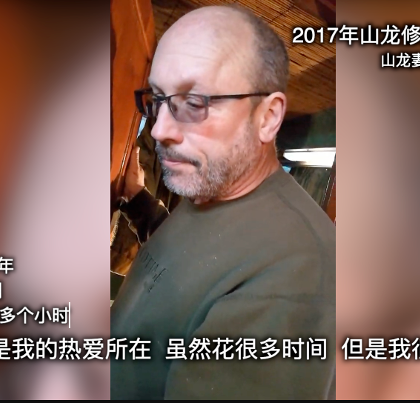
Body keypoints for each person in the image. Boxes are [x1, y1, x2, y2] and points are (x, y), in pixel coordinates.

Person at [109, 5, 336, 400]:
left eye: (194, 103)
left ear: (268, 117)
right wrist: (137, 199)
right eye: (158, 98)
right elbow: (195, 262)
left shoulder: (295, 279)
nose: (160, 129)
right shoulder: (213, 188)